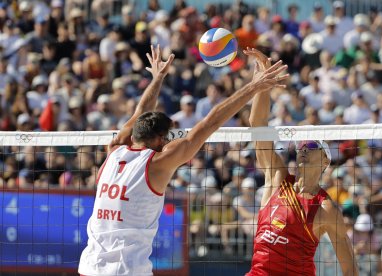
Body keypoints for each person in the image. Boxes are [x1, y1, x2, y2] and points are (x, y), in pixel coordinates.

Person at [78, 45, 289, 276]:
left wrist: (158, 78)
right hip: (126, 270)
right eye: (167, 138)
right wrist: (254, 86)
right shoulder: (156, 163)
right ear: (160, 140)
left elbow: (140, 113)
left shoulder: (114, 150)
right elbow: (209, 122)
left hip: (90, 265)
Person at [244, 48, 358, 275]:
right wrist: (262, 85)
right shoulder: (277, 178)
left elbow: (350, 269)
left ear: (326, 161)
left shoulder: (325, 208)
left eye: (311, 145)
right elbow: (257, 125)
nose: (303, 148)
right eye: (300, 146)